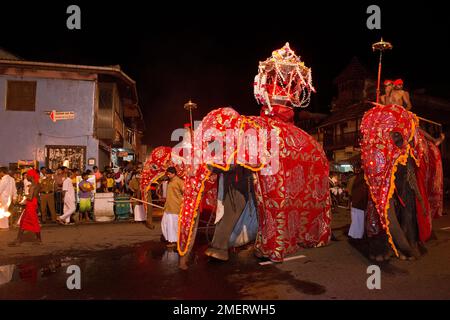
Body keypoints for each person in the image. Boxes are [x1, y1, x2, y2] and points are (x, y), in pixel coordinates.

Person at [8, 169, 41, 245]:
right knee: (28, 221)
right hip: (33, 204)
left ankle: (19, 240)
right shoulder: (37, 184)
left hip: (30, 204)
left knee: (25, 221)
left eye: (27, 175)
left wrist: (22, 198)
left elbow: (30, 198)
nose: (26, 177)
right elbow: (35, 196)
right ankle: (38, 239)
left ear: (31, 176)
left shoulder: (33, 186)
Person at [161, 167, 184, 248]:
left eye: (169, 174)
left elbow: (185, 192)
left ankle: (174, 241)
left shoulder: (179, 182)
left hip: (175, 207)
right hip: (168, 207)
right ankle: (169, 238)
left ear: (174, 173)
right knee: (164, 223)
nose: (168, 175)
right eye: (168, 174)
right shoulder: (170, 181)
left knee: (173, 225)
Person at [348, 164, 369, 240]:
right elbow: (363, 192)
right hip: (359, 204)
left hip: (356, 203)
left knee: (356, 222)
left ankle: (354, 236)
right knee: (358, 222)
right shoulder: (363, 179)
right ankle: (356, 237)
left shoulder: (357, 178)